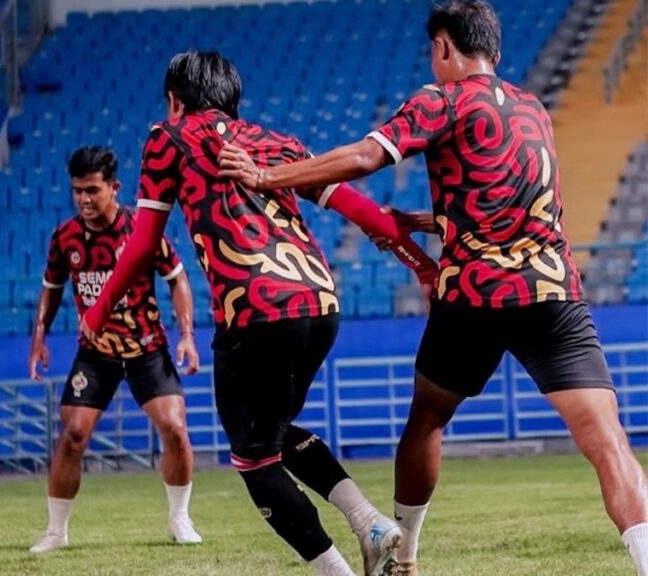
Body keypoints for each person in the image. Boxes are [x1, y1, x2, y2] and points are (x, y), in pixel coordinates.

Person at [218, 2, 648, 575]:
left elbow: (367, 156)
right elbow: (512, 203)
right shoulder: (533, 108)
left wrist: (266, 175)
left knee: (427, 421)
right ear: (493, 52)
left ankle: (406, 561)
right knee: (607, 439)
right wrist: (432, 220)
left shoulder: (440, 98)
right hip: (553, 291)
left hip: (475, 295)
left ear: (444, 47)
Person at [81, 51, 441, 576]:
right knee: (274, 429)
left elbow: (140, 247)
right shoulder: (277, 143)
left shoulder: (167, 137)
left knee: (254, 459)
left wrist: (97, 311)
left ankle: (338, 570)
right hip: (320, 303)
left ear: (175, 101)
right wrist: (422, 266)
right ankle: (371, 525)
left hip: (254, 309)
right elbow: (358, 209)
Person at [28, 145, 203, 553]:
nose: (84, 200)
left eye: (92, 190)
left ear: (114, 187)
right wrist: (39, 338)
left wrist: (188, 335)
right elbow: (50, 291)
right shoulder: (64, 237)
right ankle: (56, 531)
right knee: (72, 435)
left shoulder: (143, 229)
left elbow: (178, 280)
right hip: (95, 352)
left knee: (175, 428)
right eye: (77, 191)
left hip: (147, 347)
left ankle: (179, 518)